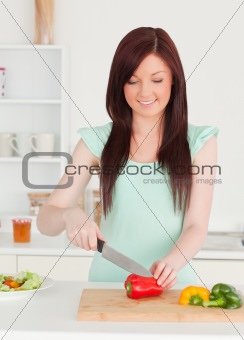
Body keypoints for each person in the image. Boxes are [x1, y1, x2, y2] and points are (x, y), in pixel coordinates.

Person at [37, 27, 218, 290]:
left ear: (174, 81)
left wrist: (171, 263)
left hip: (173, 287)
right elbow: (45, 222)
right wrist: (68, 215)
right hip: (107, 287)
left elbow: (196, 226)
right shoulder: (96, 142)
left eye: (157, 80)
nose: (145, 92)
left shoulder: (201, 142)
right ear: (119, 83)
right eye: (133, 81)